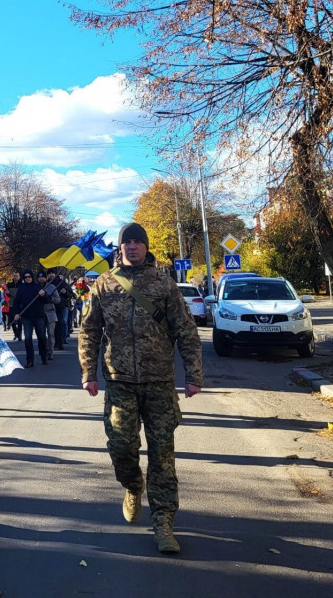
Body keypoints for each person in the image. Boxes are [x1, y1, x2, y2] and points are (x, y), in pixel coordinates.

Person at [79, 222, 204, 555]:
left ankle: (163, 523)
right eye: (127, 242)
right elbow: (89, 331)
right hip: (119, 382)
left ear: (146, 247)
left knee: (163, 456)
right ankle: (133, 486)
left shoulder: (165, 282)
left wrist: (193, 375)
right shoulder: (104, 285)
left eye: (138, 242)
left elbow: (186, 331)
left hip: (160, 383)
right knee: (121, 446)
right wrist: (88, 372)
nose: (132, 246)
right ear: (120, 248)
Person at [11, 270, 48, 367]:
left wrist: (43, 295)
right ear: (23, 278)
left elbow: (46, 300)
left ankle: (43, 356)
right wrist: (16, 313)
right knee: (27, 338)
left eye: (29, 277)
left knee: (42, 337)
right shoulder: (21, 289)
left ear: (32, 277)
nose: (28, 278)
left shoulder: (38, 287)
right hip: (26, 317)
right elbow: (16, 303)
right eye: (26, 277)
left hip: (39, 316)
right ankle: (29, 360)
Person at [47, 269, 73, 349]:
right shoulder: (47, 284)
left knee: (60, 324)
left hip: (60, 306)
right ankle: (54, 342)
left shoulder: (62, 283)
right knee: (52, 326)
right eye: (50, 273)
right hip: (50, 307)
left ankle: (60, 341)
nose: (51, 275)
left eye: (53, 273)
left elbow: (70, 294)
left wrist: (65, 292)